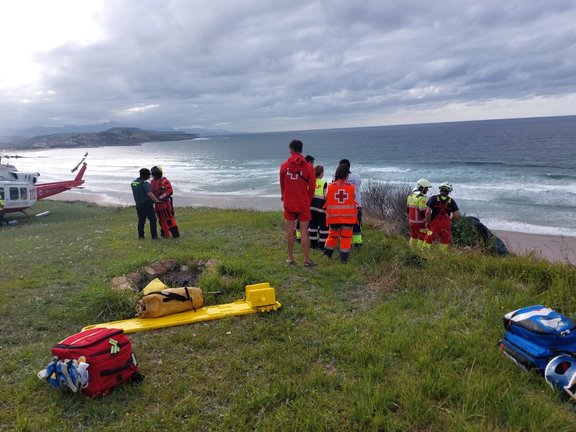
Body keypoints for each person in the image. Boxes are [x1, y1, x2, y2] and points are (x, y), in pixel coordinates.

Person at [279, 140, 316, 267]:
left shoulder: (284, 166)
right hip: (303, 203)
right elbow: (312, 188)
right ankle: (306, 260)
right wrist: (308, 200)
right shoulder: (309, 167)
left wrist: (284, 197)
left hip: (289, 203)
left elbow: (282, 186)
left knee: (290, 231)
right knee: (304, 232)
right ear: (301, 149)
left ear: (291, 149)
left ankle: (290, 258)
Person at [323, 164, 358, 263]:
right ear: (347, 176)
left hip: (333, 218)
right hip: (348, 218)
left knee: (332, 236)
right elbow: (353, 197)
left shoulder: (330, 187)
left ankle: (327, 255)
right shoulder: (352, 187)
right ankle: (343, 260)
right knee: (346, 238)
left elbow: (326, 197)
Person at [423, 182, 460, 251]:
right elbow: (457, 215)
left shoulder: (433, 198)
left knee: (428, 238)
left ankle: (424, 253)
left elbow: (428, 212)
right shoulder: (451, 201)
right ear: (448, 191)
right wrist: (450, 220)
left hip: (435, 224)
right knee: (444, 240)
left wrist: (427, 222)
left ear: (440, 189)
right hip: (446, 225)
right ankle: (441, 255)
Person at [150, 165, 180, 238]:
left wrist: (160, 198)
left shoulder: (165, 181)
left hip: (165, 204)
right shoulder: (152, 182)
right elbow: (151, 192)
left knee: (169, 220)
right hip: (157, 205)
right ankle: (165, 235)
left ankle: (175, 235)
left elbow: (169, 191)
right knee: (161, 220)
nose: (153, 175)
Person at [131, 168, 160, 240]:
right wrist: (157, 201)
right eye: (149, 174)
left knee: (141, 221)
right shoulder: (145, 184)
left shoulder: (134, 183)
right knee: (153, 220)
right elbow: (150, 194)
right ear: (146, 175)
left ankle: (141, 236)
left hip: (138, 205)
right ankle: (154, 237)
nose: (150, 176)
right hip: (146, 205)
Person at [339, 159, 362, 247]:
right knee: (357, 225)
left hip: (343, 206)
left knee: (344, 226)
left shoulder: (336, 178)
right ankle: (357, 244)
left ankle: (344, 244)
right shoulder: (357, 176)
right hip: (357, 205)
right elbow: (359, 185)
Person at [295, 154, 316, 243]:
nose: (313, 165)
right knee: (303, 219)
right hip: (305, 199)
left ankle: (298, 236)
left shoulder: (299, 169)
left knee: (298, 218)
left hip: (298, 197)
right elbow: (311, 187)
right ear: (310, 162)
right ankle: (301, 236)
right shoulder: (309, 171)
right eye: (313, 163)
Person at [407, 178, 432, 248]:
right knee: (422, 237)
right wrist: (427, 221)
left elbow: (407, 210)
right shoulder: (421, 198)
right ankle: (419, 253)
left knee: (413, 236)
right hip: (419, 223)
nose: (427, 190)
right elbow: (423, 212)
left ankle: (411, 250)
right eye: (426, 188)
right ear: (421, 188)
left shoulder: (410, 196)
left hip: (411, 222)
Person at [308, 164, 328, 249]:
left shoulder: (310, 182)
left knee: (312, 226)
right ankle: (322, 245)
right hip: (321, 209)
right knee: (323, 228)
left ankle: (313, 245)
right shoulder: (324, 182)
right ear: (322, 173)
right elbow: (325, 196)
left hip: (311, 208)